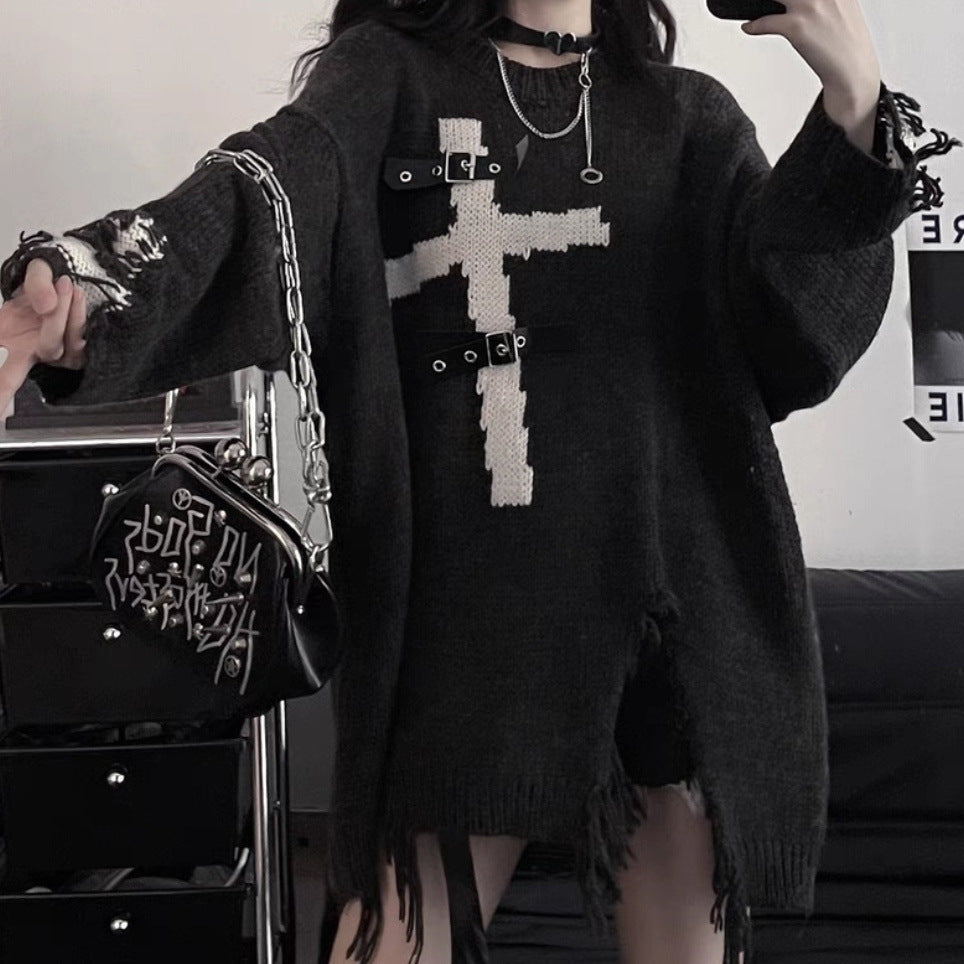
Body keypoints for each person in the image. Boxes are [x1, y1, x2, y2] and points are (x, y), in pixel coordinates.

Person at [0, 1, 959, 962]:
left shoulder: (688, 119)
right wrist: (83, 284)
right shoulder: (388, 83)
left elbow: (794, 342)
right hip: (471, 625)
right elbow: (259, 202)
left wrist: (855, 106)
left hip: (681, 613)